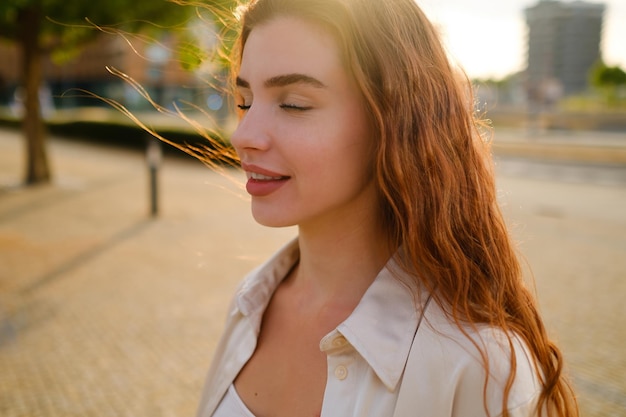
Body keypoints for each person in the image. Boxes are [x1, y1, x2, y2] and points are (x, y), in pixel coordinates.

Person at [194, 0, 579, 416]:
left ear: (395, 120)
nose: (243, 134)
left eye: (294, 104)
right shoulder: (251, 301)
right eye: (246, 99)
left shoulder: (479, 367)